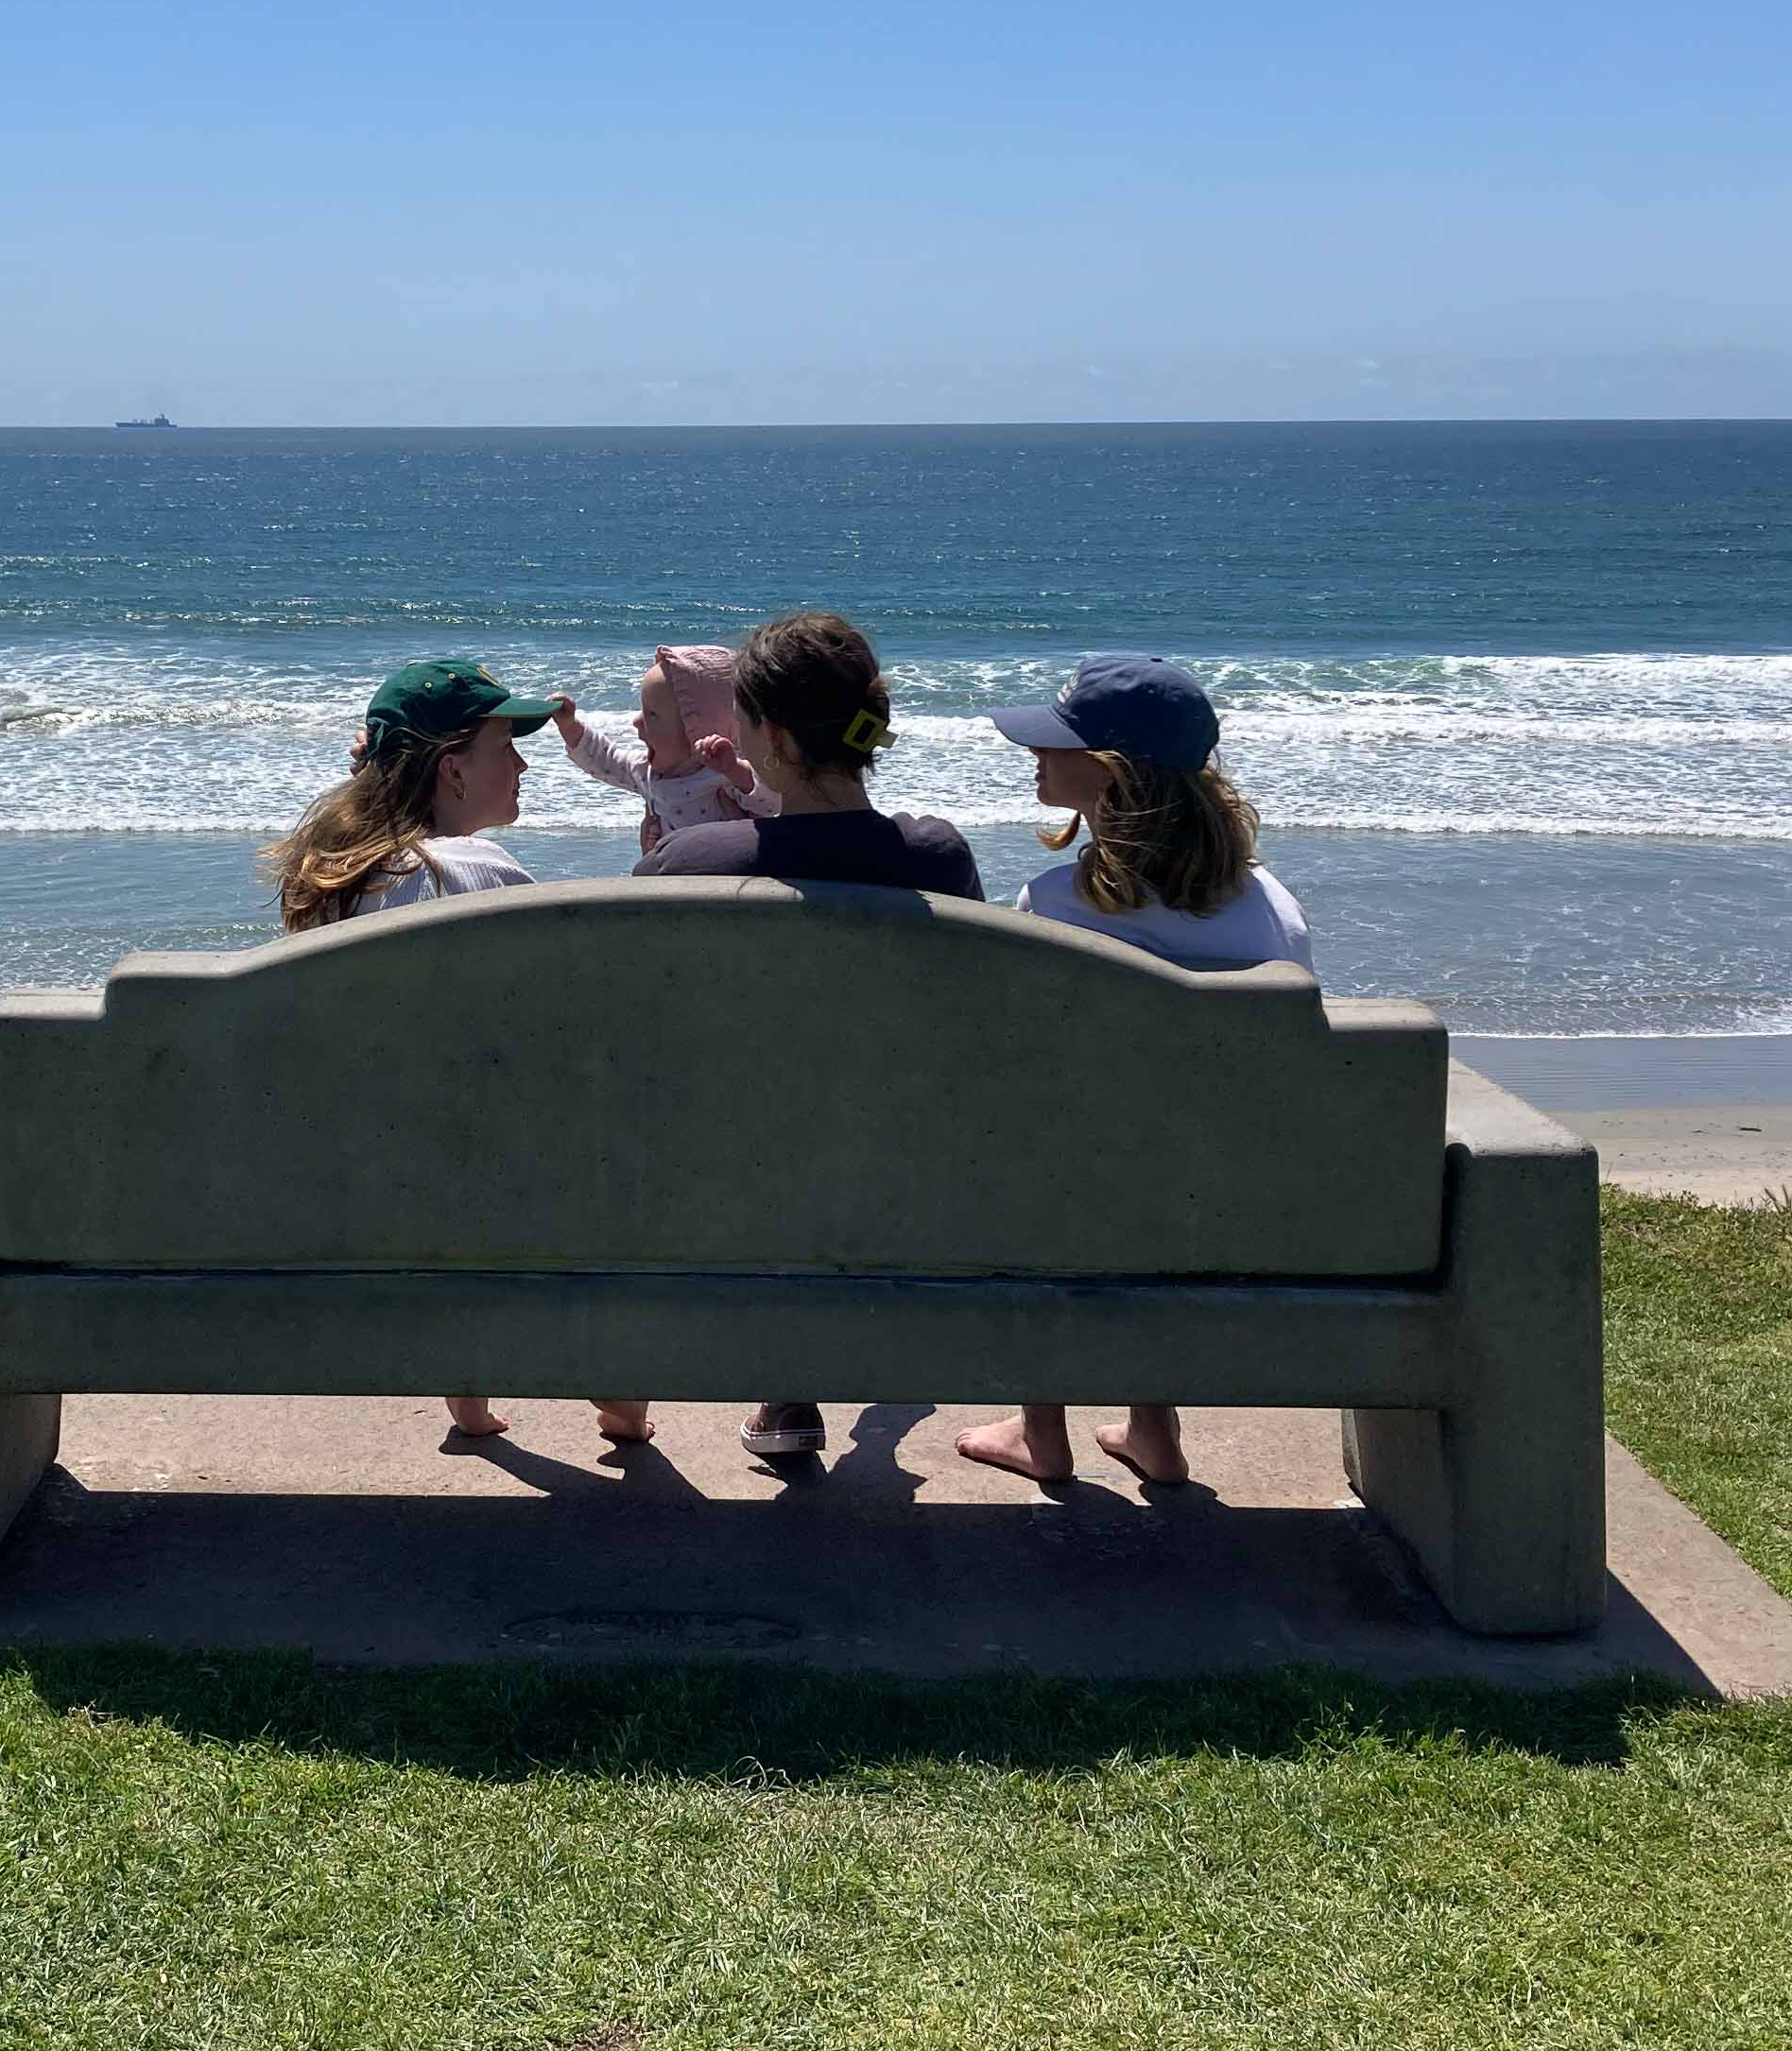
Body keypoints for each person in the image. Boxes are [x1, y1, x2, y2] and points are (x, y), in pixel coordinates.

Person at [263, 656, 653, 1446]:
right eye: (505, 746)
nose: (521, 763)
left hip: (373, 1187)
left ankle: (468, 1392)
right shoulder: (481, 874)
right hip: (500, 1191)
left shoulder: (332, 879)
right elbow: (571, 1033)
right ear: (452, 768)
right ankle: (620, 1392)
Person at [951, 653, 1306, 1491]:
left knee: (1041, 1155)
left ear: (1109, 775)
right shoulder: (1273, 913)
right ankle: (1154, 1430)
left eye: (1056, 742)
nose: (1034, 754)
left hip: (1071, 1210)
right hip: (1223, 1205)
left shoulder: (1056, 907)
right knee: (1155, 1162)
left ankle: (1043, 1432)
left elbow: (1010, 1071)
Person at [640, 611, 984, 1458]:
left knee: (762, 1118)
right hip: (909, 1161)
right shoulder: (936, 855)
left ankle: (786, 1384)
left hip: (734, 1169)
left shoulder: (695, 862)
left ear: (769, 735)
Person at [548, 643, 777, 864]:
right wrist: (570, 726)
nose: (636, 721)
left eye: (652, 714)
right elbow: (604, 759)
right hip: (672, 882)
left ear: (696, 729)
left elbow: (772, 803)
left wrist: (735, 770)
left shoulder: (724, 775)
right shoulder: (645, 771)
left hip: (727, 886)